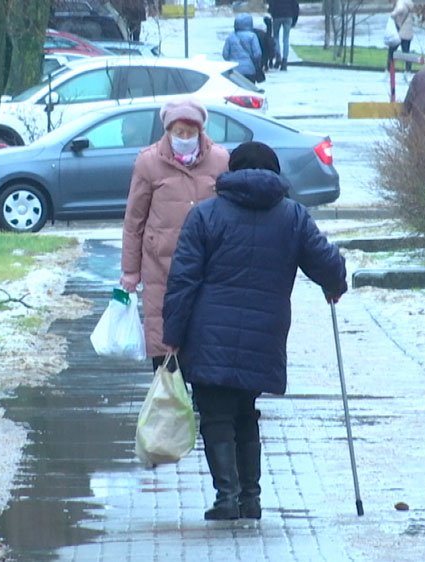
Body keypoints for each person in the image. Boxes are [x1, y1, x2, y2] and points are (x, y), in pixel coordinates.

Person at [161, 142, 348, 521]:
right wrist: (335, 284)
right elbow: (326, 263)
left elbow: (183, 281)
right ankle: (251, 499)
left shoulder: (206, 215)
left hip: (209, 332)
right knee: (245, 409)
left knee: (215, 414)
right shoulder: (292, 216)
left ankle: (227, 498)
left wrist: (173, 334)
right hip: (265, 332)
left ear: (231, 171)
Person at [120, 97, 230, 373]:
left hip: (209, 266)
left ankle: (202, 403)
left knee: (205, 339)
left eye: (190, 133)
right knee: (163, 339)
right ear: (167, 131)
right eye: (178, 132)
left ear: (200, 132)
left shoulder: (220, 160)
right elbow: (134, 221)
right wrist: (130, 271)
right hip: (161, 268)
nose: (184, 138)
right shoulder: (149, 162)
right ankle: (167, 401)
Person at [222, 14, 263, 84]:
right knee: (249, 91)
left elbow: (225, 55)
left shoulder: (230, 37)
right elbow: (257, 54)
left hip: (234, 71)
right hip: (249, 69)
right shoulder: (252, 36)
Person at [268, 0, 299, 71]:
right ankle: (284, 61)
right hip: (288, 16)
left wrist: (272, 14)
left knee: (275, 37)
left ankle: (278, 57)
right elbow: (296, 7)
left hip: (277, 16)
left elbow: (271, 5)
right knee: (286, 39)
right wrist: (294, 20)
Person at [388, 0, 416, 72]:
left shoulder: (400, 2)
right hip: (408, 32)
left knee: (391, 52)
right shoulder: (409, 3)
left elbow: (400, 9)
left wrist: (393, 14)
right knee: (406, 53)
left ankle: (389, 70)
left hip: (399, 33)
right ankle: (408, 71)